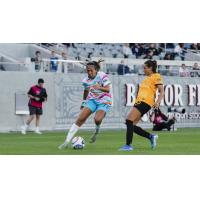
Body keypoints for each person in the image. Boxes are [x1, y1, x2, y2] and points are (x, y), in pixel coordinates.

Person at [58, 60, 112, 149]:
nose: (89, 72)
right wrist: (84, 102)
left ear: (96, 70)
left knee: (97, 119)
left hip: (104, 100)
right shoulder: (86, 80)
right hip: (92, 100)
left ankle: (96, 130)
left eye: (91, 70)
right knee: (80, 119)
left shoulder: (102, 75)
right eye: (88, 70)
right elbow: (86, 90)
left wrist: (100, 87)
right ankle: (66, 142)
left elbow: (108, 89)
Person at [119, 60, 164, 151]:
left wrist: (158, 102)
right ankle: (151, 137)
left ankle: (128, 145)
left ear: (151, 68)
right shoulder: (147, 78)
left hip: (145, 102)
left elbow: (161, 91)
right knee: (131, 125)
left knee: (129, 120)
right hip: (140, 102)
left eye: (145, 68)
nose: (143, 70)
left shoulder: (156, 76)